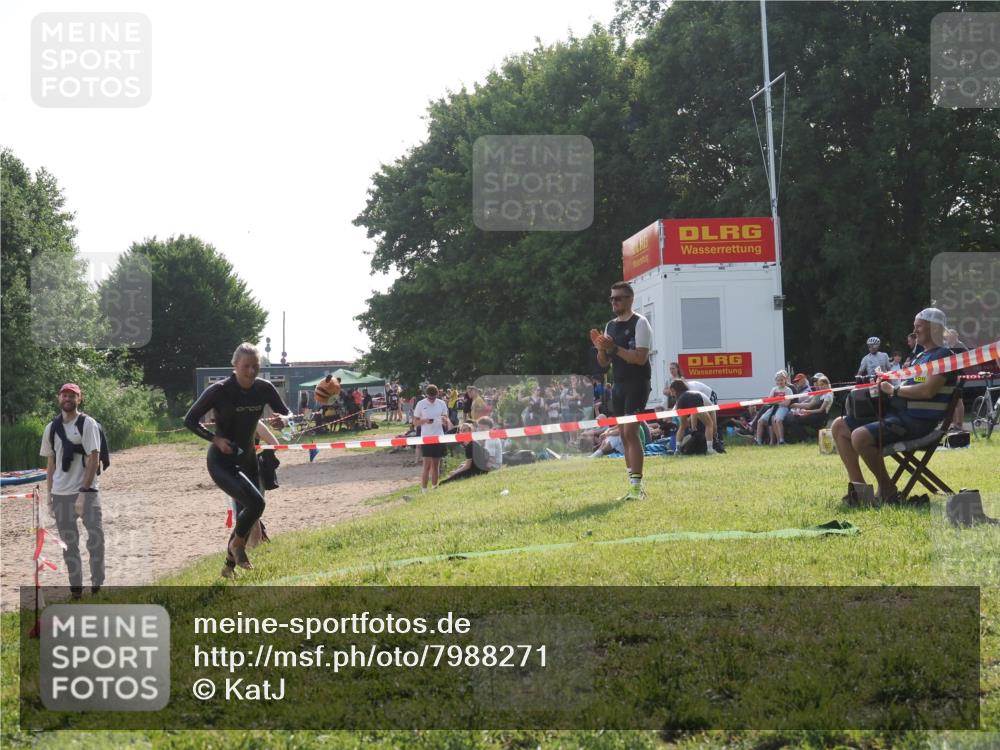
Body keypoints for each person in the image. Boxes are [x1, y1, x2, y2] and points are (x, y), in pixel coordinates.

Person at [185, 342, 291, 576]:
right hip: (221, 461)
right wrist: (215, 440)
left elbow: (287, 412)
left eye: (256, 366)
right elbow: (189, 420)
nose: (251, 371)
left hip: (248, 461)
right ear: (235, 365)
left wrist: (284, 420)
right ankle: (237, 547)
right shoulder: (219, 390)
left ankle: (228, 566)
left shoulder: (264, 388)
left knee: (250, 512)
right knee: (256, 504)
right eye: (246, 366)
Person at [831, 308, 957, 503]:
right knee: (839, 426)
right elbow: (914, 383)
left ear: (935, 328)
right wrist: (886, 385)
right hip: (899, 415)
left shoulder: (943, 356)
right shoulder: (920, 356)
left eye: (919, 326)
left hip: (918, 422)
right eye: (914, 326)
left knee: (860, 436)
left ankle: (887, 489)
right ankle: (860, 492)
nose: (914, 331)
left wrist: (893, 390)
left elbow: (927, 391)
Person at [40, 383, 105, 599]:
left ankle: (97, 586)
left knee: (96, 540)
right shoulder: (51, 428)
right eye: (64, 395)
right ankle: (76, 591)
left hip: (88, 492)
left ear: (79, 399)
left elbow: (94, 458)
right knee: (69, 546)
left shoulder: (88, 424)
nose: (68, 399)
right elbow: (51, 463)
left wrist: (83, 493)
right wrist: (49, 497)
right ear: (59, 398)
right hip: (60, 494)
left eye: (72, 396)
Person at [591, 281, 653, 499]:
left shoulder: (640, 323)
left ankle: (637, 488)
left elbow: (640, 358)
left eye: (618, 298)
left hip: (637, 383)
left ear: (630, 299)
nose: (614, 302)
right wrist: (601, 349)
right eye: (611, 298)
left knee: (630, 433)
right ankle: (632, 486)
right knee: (623, 436)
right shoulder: (610, 326)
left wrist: (614, 348)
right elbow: (603, 363)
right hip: (618, 385)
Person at [413, 384, 450, 491]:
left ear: (437, 394)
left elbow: (446, 418)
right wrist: (424, 421)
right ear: (426, 395)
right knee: (426, 465)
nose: (432, 400)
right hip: (426, 437)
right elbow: (415, 422)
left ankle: (434, 487)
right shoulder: (421, 404)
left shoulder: (441, 403)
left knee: (436, 465)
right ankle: (424, 489)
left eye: (434, 398)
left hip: (439, 436)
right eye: (430, 398)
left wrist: (444, 420)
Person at [668, 380, 718, 455]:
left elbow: (693, 412)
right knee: (709, 424)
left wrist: (693, 426)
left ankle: (677, 450)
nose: (672, 394)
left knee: (682, 426)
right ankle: (710, 449)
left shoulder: (680, 397)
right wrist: (715, 431)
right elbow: (695, 411)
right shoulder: (695, 393)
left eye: (672, 392)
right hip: (697, 400)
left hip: (683, 401)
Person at [784, 374, 834, 441]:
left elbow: (818, 409)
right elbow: (809, 402)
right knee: (794, 417)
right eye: (818, 384)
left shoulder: (827, 395)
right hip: (815, 413)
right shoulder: (822, 393)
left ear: (827, 384)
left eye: (822, 384)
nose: (816, 384)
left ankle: (805, 438)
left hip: (819, 415)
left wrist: (805, 410)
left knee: (795, 419)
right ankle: (804, 437)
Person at [755, 370, 793, 445]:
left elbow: (786, 403)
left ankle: (781, 440)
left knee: (778, 420)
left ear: (785, 380)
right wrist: (779, 401)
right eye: (778, 380)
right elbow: (769, 401)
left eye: (782, 380)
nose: (780, 382)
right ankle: (758, 441)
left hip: (783, 408)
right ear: (776, 381)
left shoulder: (788, 390)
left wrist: (775, 401)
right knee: (760, 421)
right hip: (773, 408)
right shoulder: (774, 389)